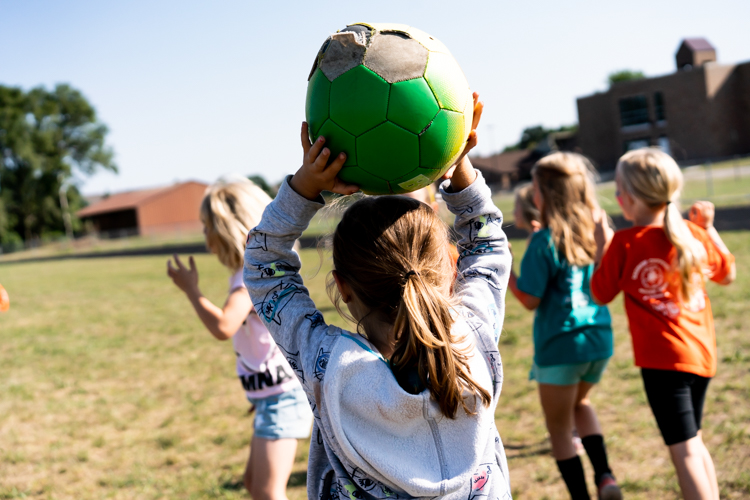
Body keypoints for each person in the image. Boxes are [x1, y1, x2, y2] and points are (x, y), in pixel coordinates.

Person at [244, 94, 514, 500]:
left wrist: (305, 187)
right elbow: (489, 242)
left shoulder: (329, 365)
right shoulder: (472, 337)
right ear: (447, 270)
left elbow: (265, 266)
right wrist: (457, 165)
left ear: (344, 287)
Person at [591, 148, 735, 500]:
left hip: (663, 363)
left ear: (630, 198)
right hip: (701, 358)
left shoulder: (624, 243)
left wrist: (600, 246)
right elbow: (728, 274)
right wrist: (709, 229)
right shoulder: (692, 234)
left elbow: (599, 293)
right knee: (694, 441)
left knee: (683, 451)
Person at [167, 177, 313, 500]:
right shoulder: (251, 271)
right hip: (271, 398)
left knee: (267, 492)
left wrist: (192, 291)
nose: (205, 237)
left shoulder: (250, 275)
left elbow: (224, 326)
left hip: (283, 400)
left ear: (228, 228)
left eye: (208, 227)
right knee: (253, 485)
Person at [508, 152, 620, 500]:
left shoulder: (544, 241)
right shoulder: (596, 229)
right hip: (598, 340)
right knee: (580, 405)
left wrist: (507, 268)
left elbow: (529, 299)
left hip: (560, 346)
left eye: (537, 188)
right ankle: (606, 477)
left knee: (558, 429)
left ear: (548, 194)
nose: (533, 195)